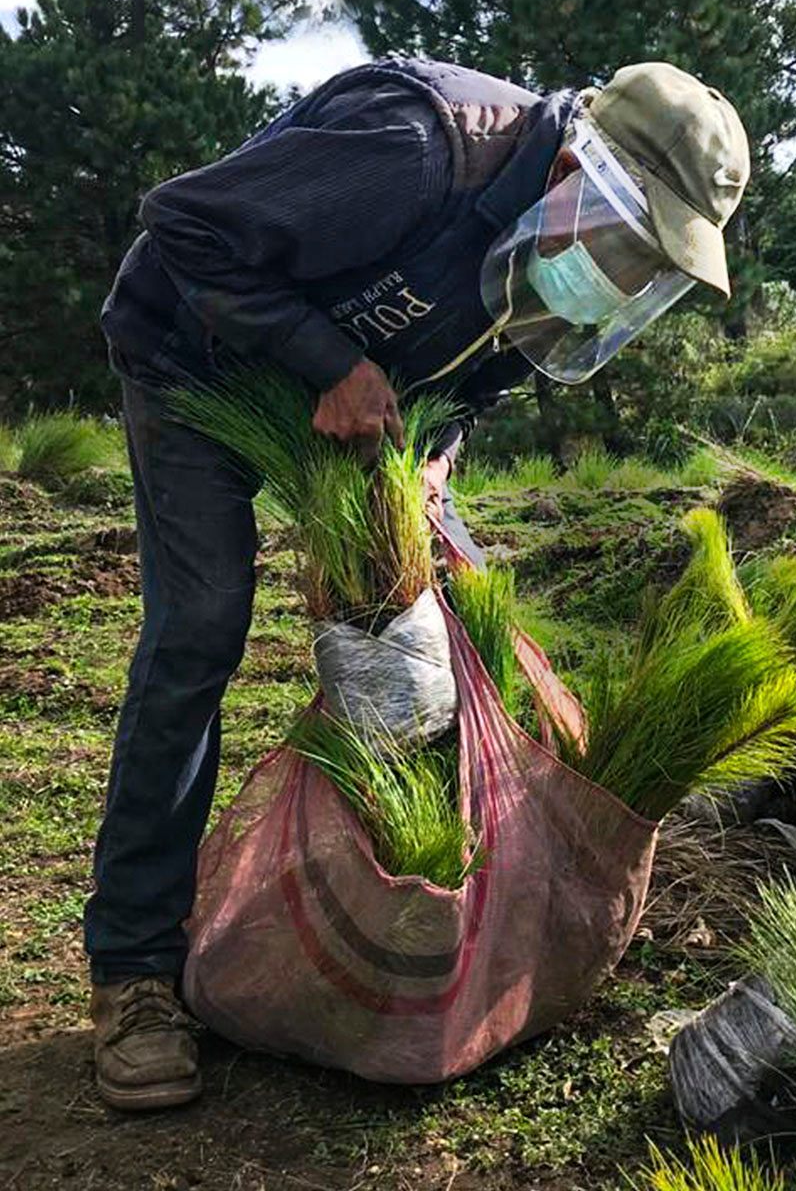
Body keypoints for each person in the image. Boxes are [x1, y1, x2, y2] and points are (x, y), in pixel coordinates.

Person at [89, 56, 749, 1111]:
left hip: (353, 413)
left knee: (433, 633)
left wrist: (432, 459)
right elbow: (184, 224)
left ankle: (403, 903)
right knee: (201, 626)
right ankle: (131, 971)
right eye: (632, 233)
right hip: (196, 361)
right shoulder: (417, 149)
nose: (623, 269)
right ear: (582, 161)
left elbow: (471, 379)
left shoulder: (549, 247)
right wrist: (328, 364)